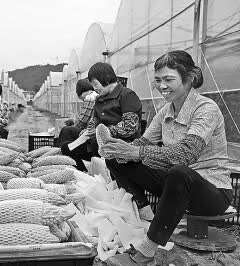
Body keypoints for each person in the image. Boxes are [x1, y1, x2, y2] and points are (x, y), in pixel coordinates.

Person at [99, 50, 232, 264]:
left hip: (212, 192)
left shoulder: (206, 109)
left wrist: (136, 152)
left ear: (189, 78)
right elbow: (142, 144)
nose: (162, 86)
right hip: (175, 185)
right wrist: (119, 149)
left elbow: (185, 154)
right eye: (158, 80)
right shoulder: (165, 112)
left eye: (169, 79)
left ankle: (148, 249)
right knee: (116, 159)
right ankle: (145, 210)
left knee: (179, 172)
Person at [59, 78, 98, 171]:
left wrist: (72, 127)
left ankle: (65, 154)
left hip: (92, 135)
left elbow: (81, 122)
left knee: (66, 131)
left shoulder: (90, 97)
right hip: (93, 131)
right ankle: (66, 152)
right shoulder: (95, 96)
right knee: (68, 132)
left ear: (80, 91)